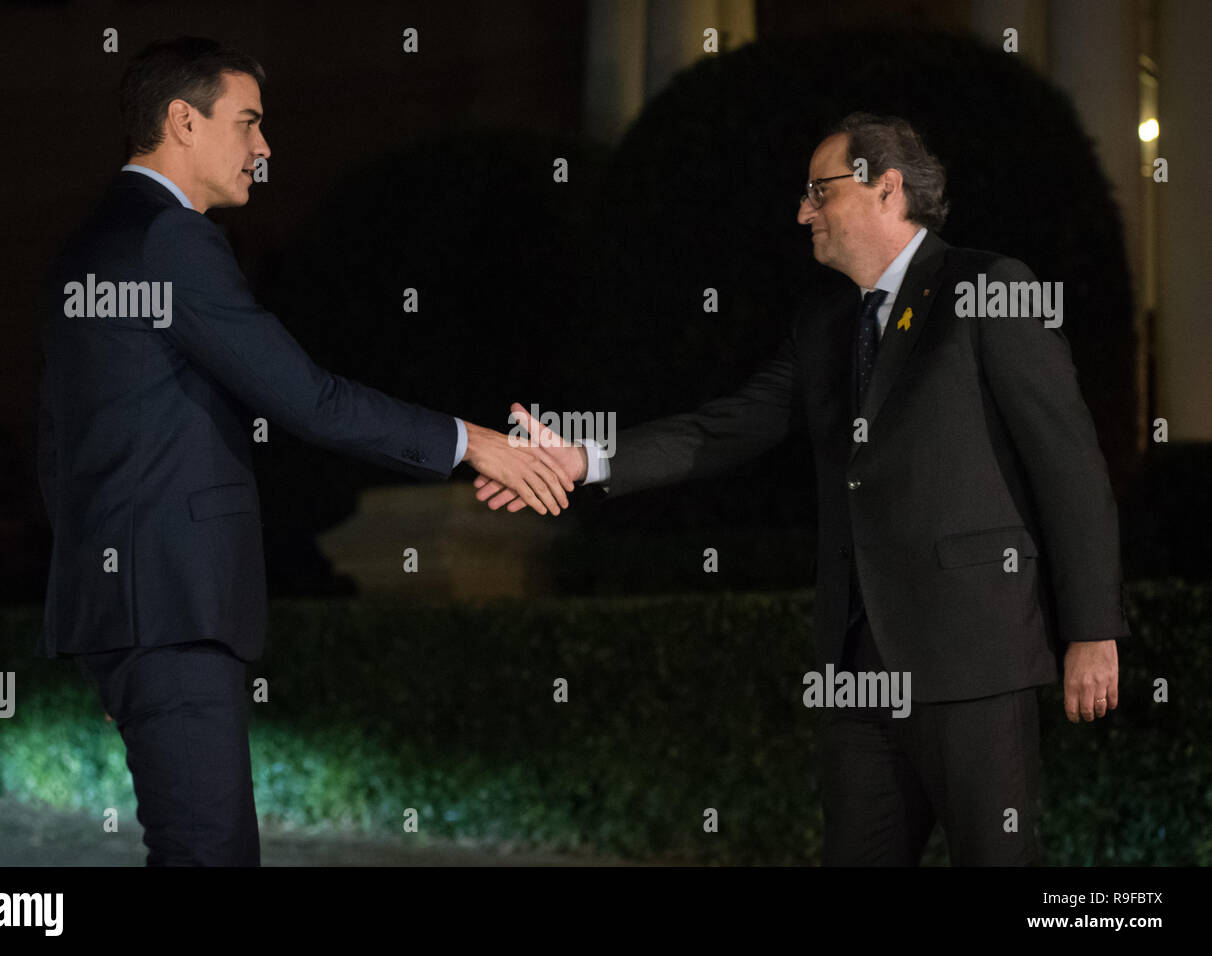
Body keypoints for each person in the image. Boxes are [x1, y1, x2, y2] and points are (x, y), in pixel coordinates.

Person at [476, 112, 1128, 865]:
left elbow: (1071, 467)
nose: (801, 212)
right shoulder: (823, 323)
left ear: (885, 189)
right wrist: (584, 461)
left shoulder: (990, 288)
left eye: (819, 192)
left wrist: (1092, 629)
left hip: (974, 656)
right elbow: (726, 428)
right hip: (857, 667)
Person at [36, 36, 573, 866]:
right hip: (173, 611)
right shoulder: (172, 241)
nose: (265, 148)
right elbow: (307, 398)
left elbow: (63, 447)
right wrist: (472, 444)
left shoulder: (86, 244)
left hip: (136, 611)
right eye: (247, 123)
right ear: (183, 121)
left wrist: (112, 628)